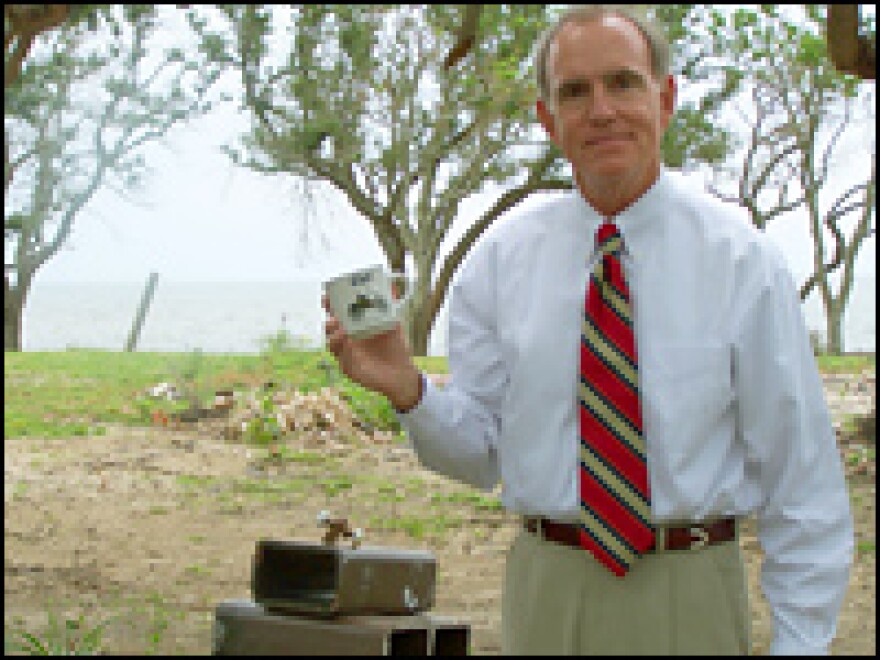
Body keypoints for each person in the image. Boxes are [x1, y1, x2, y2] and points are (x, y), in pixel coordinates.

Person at [324, 5, 854, 655]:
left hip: (689, 597)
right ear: (548, 120)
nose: (601, 110)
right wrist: (407, 389)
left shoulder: (743, 261)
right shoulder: (501, 261)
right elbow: (480, 455)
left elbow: (801, 476)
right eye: (575, 92)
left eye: (623, 83)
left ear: (665, 99)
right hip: (546, 592)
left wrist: (802, 643)